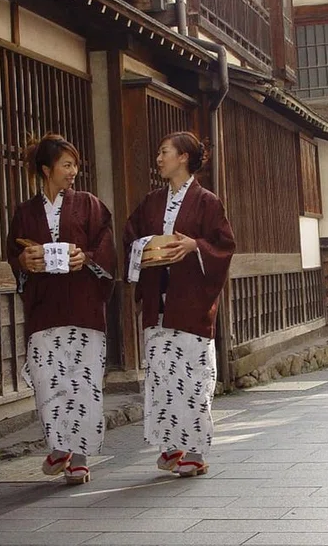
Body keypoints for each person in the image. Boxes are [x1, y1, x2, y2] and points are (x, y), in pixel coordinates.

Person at [124, 131, 236, 477]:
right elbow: (130, 235)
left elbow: (224, 246)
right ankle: (172, 445)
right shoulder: (152, 202)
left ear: (183, 157)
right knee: (162, 376)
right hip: (159, 300)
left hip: (190, 302)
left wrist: (195, 247)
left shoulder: (207, 201)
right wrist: (145, 245)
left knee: (192, 377)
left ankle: (197, 450)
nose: (159, 159)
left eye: (164, 152)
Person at [6, 134, 116, 485]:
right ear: (46, 169)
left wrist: (87, 257)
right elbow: (14, 254)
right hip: (45, 309)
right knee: (47, 380)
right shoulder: (25, 212)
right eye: (66, 165)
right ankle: (58, 446)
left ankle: (79, 456)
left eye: (75, 165)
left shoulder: (89, 205)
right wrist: (24, 260)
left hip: (82, 305)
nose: (73, 172)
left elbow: (106, 245)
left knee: (82, 382)